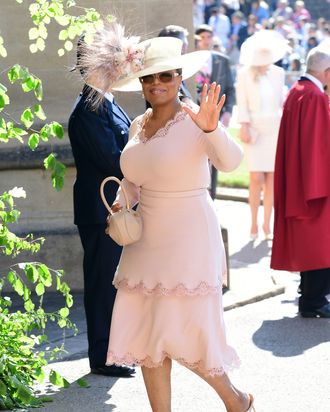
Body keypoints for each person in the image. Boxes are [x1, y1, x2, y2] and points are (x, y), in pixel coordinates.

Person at [80, 24, 255, 412]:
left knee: (187, 334)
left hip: (188, 236)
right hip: (145, 241)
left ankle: (236, 400)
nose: (157, 82)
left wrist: (212, 128)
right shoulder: (139, 125)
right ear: (141, 82)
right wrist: (121, 200)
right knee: (148, 339)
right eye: (149, 76)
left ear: (179, 79)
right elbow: (135, 179)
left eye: (166, 75)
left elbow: (231, 161)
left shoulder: (196, 117)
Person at [67, 36, 135, 377]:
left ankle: (115, 349)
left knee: (114, 282)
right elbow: (113, 159)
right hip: (100, 209)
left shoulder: (106, 102)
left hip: (110, 206)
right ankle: (104, 356)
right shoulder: (90, 108)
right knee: (101, 282)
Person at [271, 47, 330, 318]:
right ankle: (313, 300)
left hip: (298, 177)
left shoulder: (297, 90)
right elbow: (318, 145)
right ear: (327, 72)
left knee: (311, 242)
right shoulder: (316, 96)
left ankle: (310, 294)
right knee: (319, 241)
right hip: (314, 181)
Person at [236, 30, 287, 240]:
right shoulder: (244, 74)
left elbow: (280, 103)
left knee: (272, 179)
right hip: (255, 128)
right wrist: (244, 125)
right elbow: (242, 103)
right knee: (256, 177)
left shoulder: (279, 73)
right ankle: (253, 223)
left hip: (275, 128)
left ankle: (267, 224)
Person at [195, 23, 236, 199]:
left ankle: (211, 198)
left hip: (216, 117)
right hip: (194, 116)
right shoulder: (190, 60)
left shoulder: (222, 60)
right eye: (202, 37)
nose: (205, 41)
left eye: (209, 37)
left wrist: (227, 112)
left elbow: (230, 89)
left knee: (216, 155)